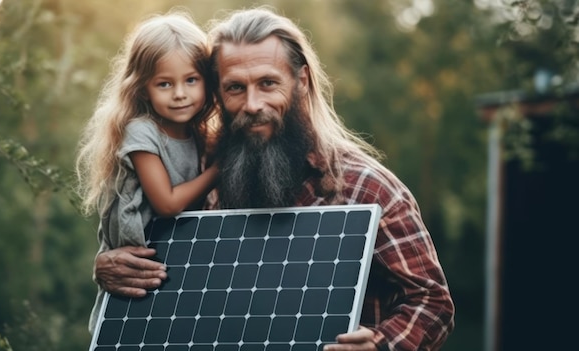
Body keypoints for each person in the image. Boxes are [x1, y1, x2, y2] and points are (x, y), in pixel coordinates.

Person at [92, 7, 455, 351]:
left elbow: (433, 302)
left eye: (268, 83)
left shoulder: (369, 190)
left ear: (301, 81)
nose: (252, 104)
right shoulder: (208, 181)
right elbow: (172, 280)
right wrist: (111, 265)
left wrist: (381, 344)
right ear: (217, 92)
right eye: (235, 87)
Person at [75, 11, 219, 332]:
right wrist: (217, 171)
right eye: (165, 83)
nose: (180, 93)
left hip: (169, 262)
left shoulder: (196, 133)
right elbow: (167, 203)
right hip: (137, 264)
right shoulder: (142, 132)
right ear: (143, 88)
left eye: (191, 80)